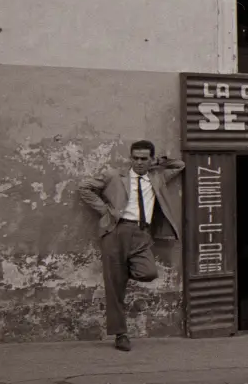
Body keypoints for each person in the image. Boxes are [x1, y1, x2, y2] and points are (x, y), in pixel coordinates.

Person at [78, 140, 185, 351]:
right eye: (134, 158)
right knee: (115, 287)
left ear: (151, 159)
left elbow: (179, 165)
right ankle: (121, 334)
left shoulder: (157, 177)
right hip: (116, 231)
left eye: (144, 158)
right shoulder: (114, 176)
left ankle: (124, 270)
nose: (138, 162)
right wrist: (106, 211)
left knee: (148, 272)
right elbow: (85, 187)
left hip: (141, 233)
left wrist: (159, 163)